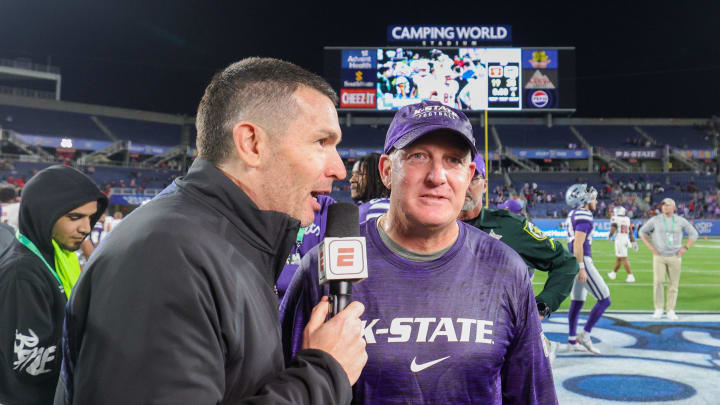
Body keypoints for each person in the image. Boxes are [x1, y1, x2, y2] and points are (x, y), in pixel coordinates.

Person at [55, 57, 367, 404]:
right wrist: (323, 375)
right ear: (252, 143)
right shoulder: (165, 256)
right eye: (321, 142)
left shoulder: (226, 242)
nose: (340, 168)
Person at [281, 100, 557, 404]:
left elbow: (533, 395)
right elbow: (286, 387)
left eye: (453, 160)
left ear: (469, 174)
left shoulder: (505, 269)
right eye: (418, 156)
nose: (437, 176)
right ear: (386, 171)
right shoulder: (323, 266)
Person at [0, 165, 107, 405]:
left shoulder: (56, 255)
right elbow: (28, 364)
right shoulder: (23, 274)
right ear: (44, 213)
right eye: (75, 217)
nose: (86, 228)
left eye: (90, 217)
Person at [458, 154, 579, 359]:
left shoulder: (510, 227)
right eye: (460, 176)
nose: (466, 185)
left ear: (485, 185)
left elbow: (565, 263)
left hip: (501, 346)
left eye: (474, 178)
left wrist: (540, 306)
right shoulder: (430, 226)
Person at [564, 184, 611, 355]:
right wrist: (582, 267)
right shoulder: (584, 214)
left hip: (573, 261)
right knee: (604, 299)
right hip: (581, 261)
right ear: (585, 199)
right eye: (594, 198)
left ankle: (571, 341)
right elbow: (578, 243)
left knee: (577, 302)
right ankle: (585, 334)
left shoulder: (573, 214)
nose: (596, 201)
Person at [639, 198, 698, 320]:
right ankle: (659, 309)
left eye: (668, 205)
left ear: (674, 208)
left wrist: (685, 248)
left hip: (675, 256)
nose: (665, 207)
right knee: (658, 282)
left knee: (673, 284)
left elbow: (694, 234)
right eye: (663, 205)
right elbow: (642, 232)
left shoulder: (680, 220)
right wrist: (650, 247)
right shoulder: (655, 220)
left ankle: (670, 310)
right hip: (659, 256)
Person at [353, 153, 390, 223]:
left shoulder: (380, 207)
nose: (353, 180)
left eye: (360, 174)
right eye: (354, 174)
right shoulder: (367, 205)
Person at [608, 206, 638, 282]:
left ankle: (630, 276)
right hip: (625, 239)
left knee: (624, 258)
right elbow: (631, 231)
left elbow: (613, 229)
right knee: (618, 258)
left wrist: (609, 236)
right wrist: (633, 242)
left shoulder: (615, 219)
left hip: (620, 240)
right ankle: (613, 273)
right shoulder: (627, 219)